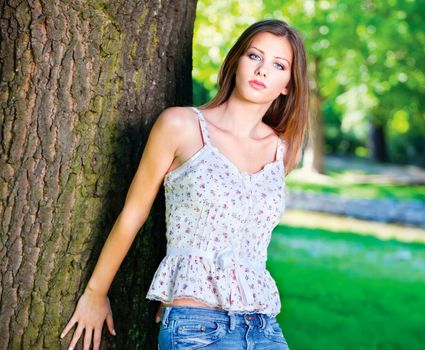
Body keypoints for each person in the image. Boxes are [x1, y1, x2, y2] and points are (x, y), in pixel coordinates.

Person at [60, 18, 308, 350]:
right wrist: (95, 293)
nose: (262, 70)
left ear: (288, 84)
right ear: (236, 61)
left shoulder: (283, 149)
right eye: (254, 56)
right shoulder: (181, 125)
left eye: (278, 65)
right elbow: (132, 215)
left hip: (264, 329)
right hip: (198, 329)